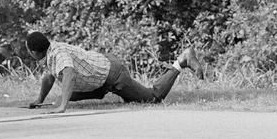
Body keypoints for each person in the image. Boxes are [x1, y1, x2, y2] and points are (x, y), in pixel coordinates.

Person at [25, 31, 204, 114]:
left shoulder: (58, 54)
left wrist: (62, 107)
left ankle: (182, 60)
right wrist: (40, 100)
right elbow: (49, 76)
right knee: (65, 95)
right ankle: (106, 91)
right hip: (101, 71)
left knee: (152, 97)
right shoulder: (50, 51)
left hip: (112, 75)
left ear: (34, 52)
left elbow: (69, 74)